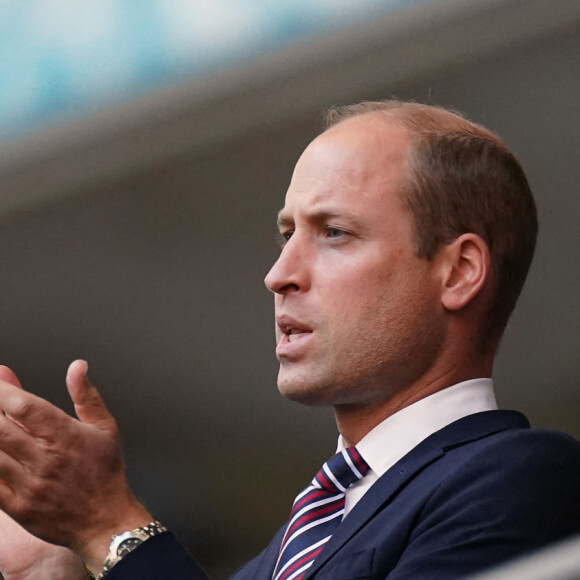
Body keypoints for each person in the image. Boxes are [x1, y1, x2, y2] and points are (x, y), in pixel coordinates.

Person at [0, 100, 579, 580]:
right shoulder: (275, 558)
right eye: (286, 233)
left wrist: (108, 524)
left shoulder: (525, 479)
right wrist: (52, 570)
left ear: (459, 272)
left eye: (334, 232)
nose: (279, 273)